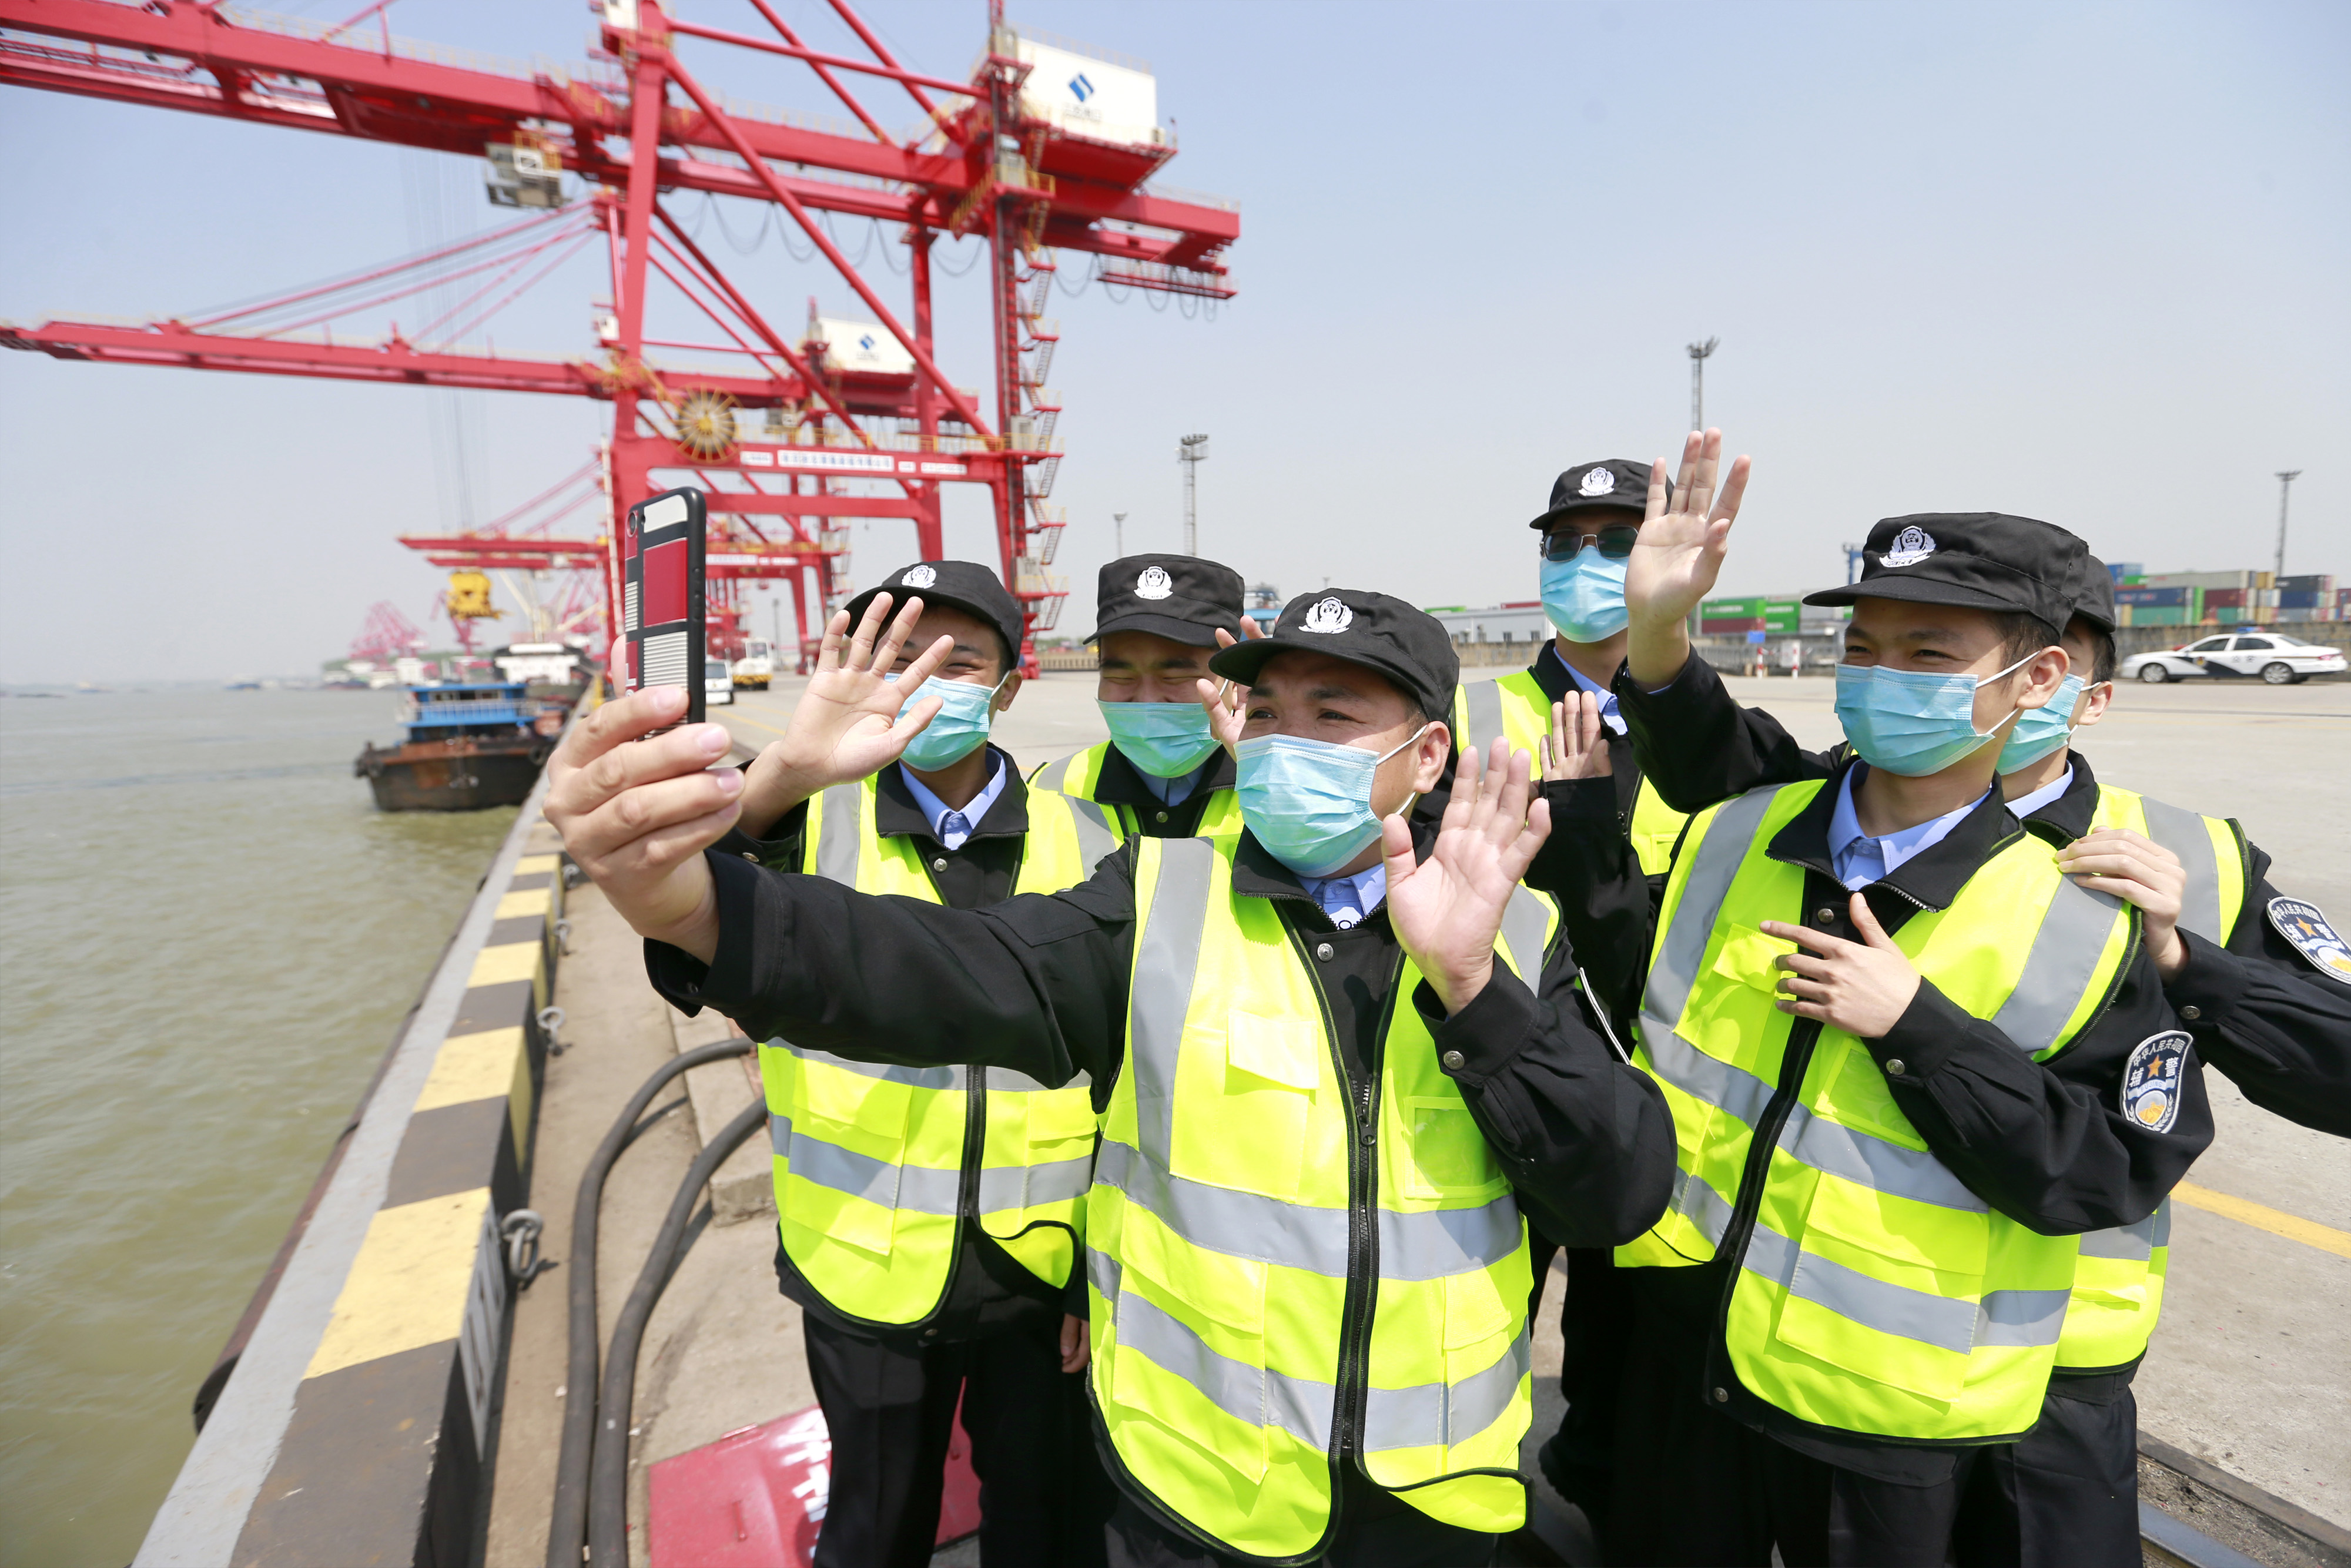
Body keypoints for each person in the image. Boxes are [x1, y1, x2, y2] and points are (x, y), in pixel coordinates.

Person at [546, 585, 1676, 1567]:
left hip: (1430, 1506)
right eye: (1267, 714)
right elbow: (927, 967)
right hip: (1191, 1502)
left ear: (1426, 755)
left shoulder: (1514, 936)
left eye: (1333, 715)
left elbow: (1620, 1191)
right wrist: (698, 910)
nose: (1286, 743)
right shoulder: (1154, 901)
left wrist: (1474, 990)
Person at [1609, 508, 2351, 1567]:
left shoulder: (2175, 868)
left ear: (2061, 684)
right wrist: (1656, 633)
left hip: (2046, 1361)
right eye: (1866, 648)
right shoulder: (1819, 816)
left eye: (1930, 654)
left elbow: (2132, 1147)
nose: (1887, 680)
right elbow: (1714, 755)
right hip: (1784, 1334)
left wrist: (2188, 964)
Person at [698, 559, 1120, 1568]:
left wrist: (1095, 1273)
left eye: (958, 660)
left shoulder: (1096, 837)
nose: (925, 678)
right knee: (876, 1522)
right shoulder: (802, 819)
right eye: (900, 656)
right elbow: (692, 903)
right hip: (862, 1267)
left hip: (1039, 1267)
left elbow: (1127, 1080)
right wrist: (786, 770)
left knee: (1042, 1517)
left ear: (1009, 686)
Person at [1447, 457, 1746, 1531]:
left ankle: (1601, 1487)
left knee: (1629, 1348)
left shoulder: (1710, 734)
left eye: (1616, 541)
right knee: (1476, 1312)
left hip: (1657, 1093)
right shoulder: (1468, 711)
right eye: (1564, 542)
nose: (1587, 561)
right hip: (1498, 1074)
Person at [1032, 554, 1249, 837]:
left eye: (1174, 677)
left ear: (1234, 682)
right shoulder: (1048, 789)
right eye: (1121, 677)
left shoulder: (1281, 791)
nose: (1148, 700)